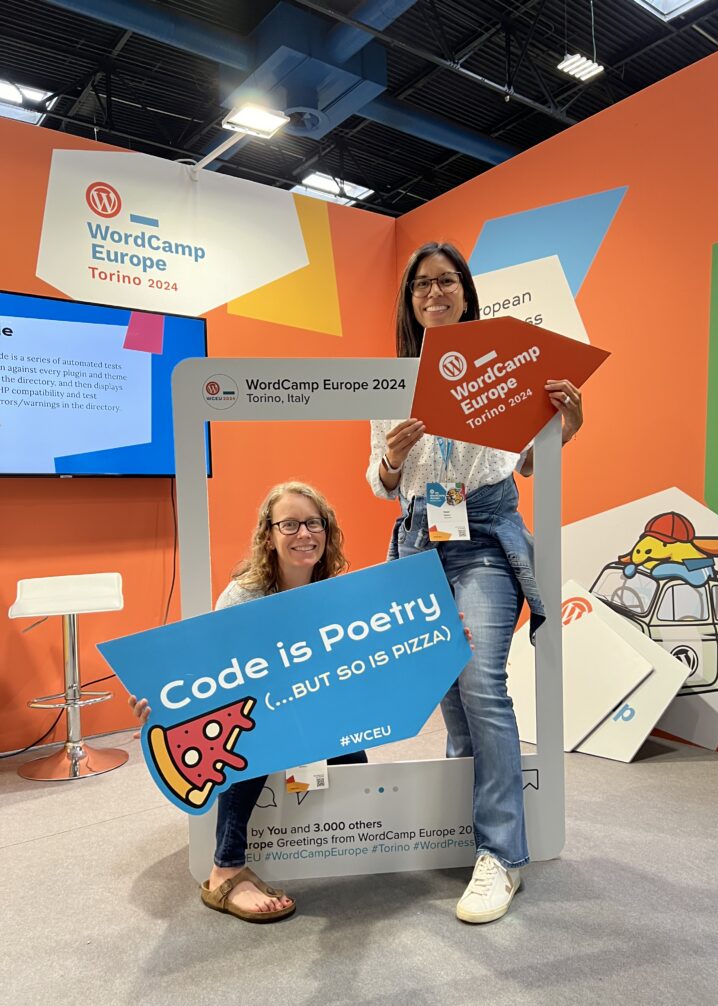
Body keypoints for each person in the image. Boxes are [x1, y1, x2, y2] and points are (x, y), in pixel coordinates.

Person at [366, 241, 584, 924]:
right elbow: (378, 484)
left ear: (466, 292)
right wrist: (391, 460)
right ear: (410, 301)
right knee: (448, 690)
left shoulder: (504, 371)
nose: (434, 292)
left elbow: (525, 465)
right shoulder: (390, 380)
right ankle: (472, 812)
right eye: (422, 284)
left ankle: (502, 855)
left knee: (482, 681)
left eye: (446, 281)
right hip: (418, 540)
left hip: (486, 539)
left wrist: (565, 426)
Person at [129, 481, 367, 923]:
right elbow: (209, 672)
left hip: (314, 710)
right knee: (253, 745)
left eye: (313, 523)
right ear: (269, 536)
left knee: (356, 764)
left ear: (327, 531)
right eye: (290, 524)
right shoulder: (244, 595)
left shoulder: (334, 592)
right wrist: (159, 702)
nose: (304, 534)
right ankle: (226, 870)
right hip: (259, 718)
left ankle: (333, 845)